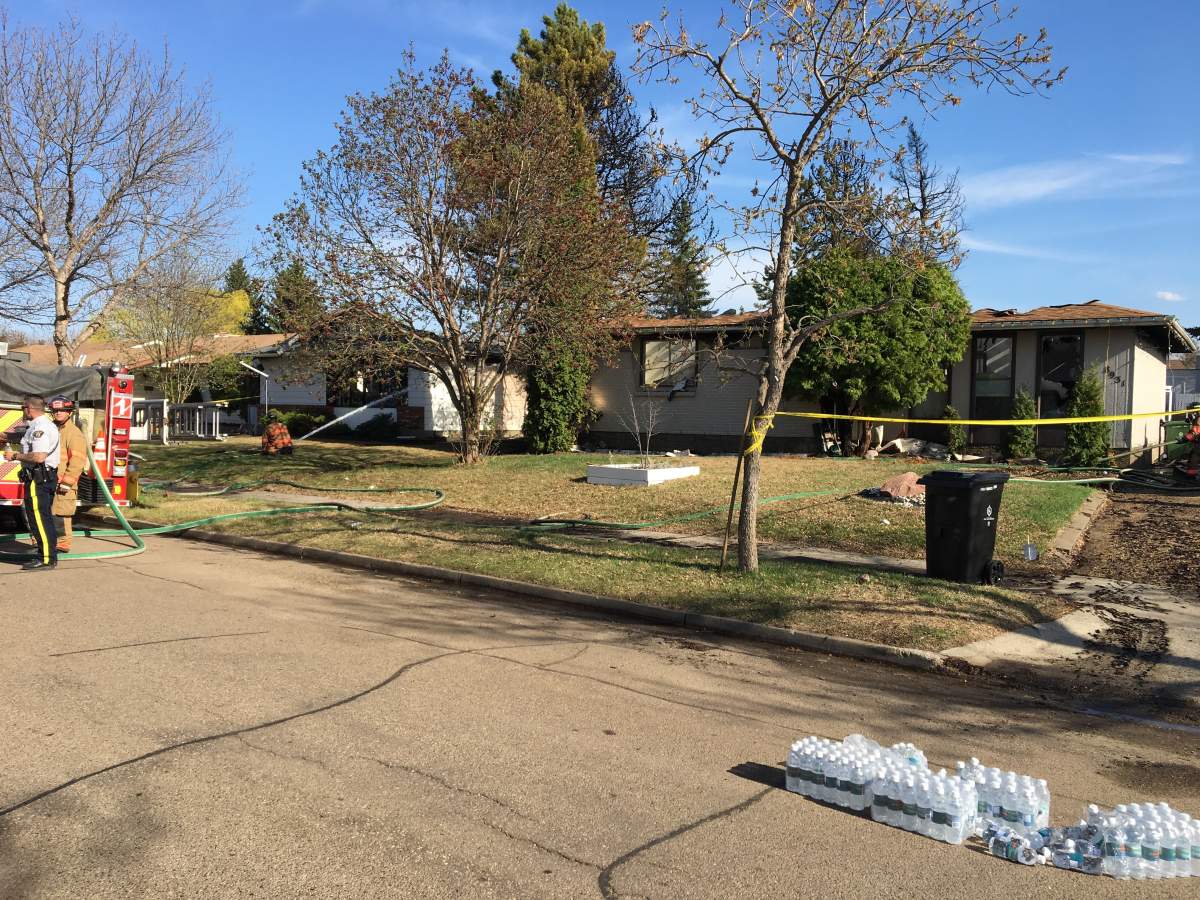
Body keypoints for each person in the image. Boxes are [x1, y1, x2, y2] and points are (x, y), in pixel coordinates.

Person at [2, 395, 61, 570]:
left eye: (23, 408)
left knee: (40, 519)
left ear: (29, 408)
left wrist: (15, 456)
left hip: (38, 478)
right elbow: (19, 437)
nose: (22, 411)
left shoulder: (40, 428)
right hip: (39, 477)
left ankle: (46, 559)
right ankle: (46, 555)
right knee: (41, 518)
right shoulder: (36, 426)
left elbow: (39, 456)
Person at [49, 395, 87, 553]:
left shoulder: (73, 433)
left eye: (62, 410)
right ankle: (47, 543)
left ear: (69, 412)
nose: (58, 413)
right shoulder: (52, 428)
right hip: (49, 480)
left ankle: (62, 545)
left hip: (63, 483)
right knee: (48, 513)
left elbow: (78, 461)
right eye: (55, 410)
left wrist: (66, 482)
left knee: (61, 514)